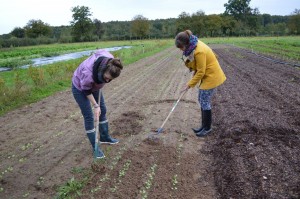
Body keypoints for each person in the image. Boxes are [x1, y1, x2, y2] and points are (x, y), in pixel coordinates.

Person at [72, 49, 123, 158]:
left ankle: (105, 137)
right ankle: (95, 147)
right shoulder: (88, 73)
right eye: (106, 78)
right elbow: (86, 90)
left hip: (95, 86)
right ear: (102, 70)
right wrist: (95, 105)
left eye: (110, 80)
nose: (107, 81)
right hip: (80, 88)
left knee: (103, 110)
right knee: (89, 116)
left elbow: (100, 51)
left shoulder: (110, 60)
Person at [175, 30, 226, 137]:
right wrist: (191, 80)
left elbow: (201, 71)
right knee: (202, 100)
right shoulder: (194, 45)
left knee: (204, 101)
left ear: (186, 43)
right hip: (208, 75)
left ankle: (207, 128)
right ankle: (203, 126)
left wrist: (189, 84)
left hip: (212, 76)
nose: (181, 50)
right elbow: (198, 68)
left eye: (181, 47)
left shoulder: (199, 51)